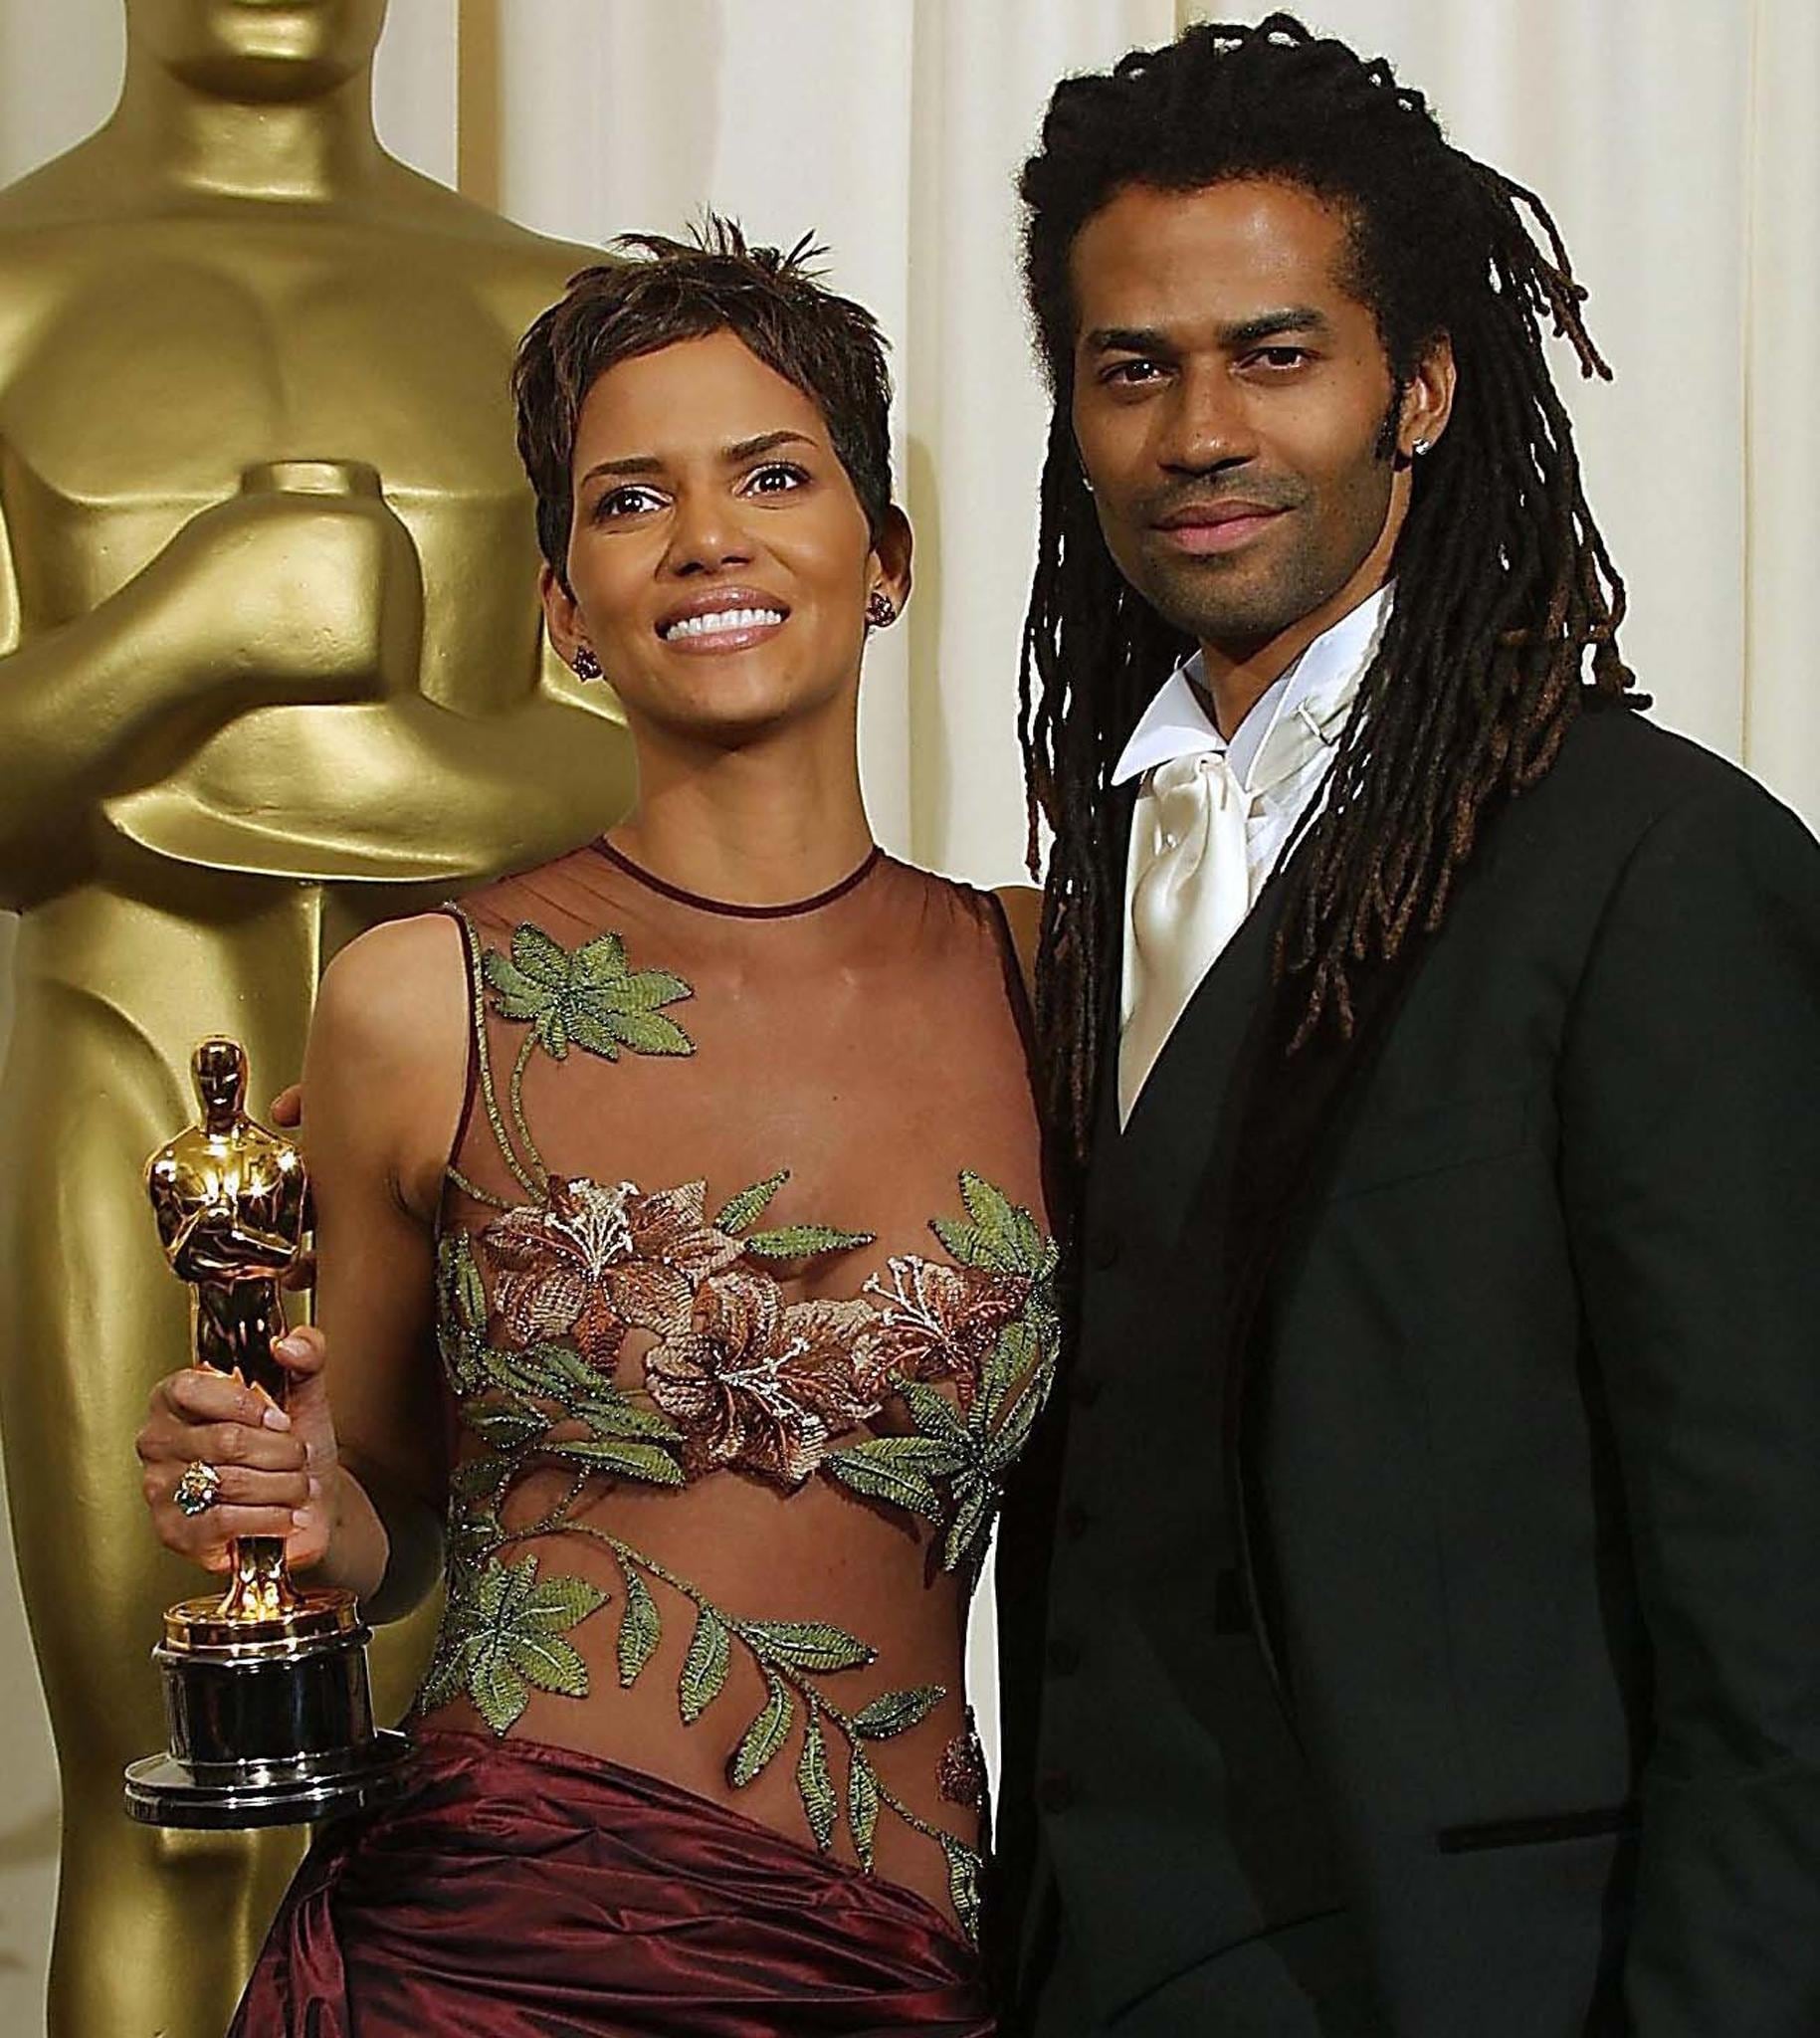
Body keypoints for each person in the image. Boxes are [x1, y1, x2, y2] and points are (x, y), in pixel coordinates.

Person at [135, 223, 1057, 2036]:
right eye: (631, 500)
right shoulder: (426, 997)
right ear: (564, 607)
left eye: (772, 477)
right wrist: (300, 1502)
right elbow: (393, 1517)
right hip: (482, 1960)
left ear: (884, 556)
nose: (707, 538)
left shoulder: (1047, 980)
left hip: (898, 1973)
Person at [995, 15, 1820, 2036]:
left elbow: (1783, 1608)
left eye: (1276, 354)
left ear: (1421, 387)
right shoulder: (1076, 889)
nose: (1198, 431)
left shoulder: (1657, 868)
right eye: (1132, 368)